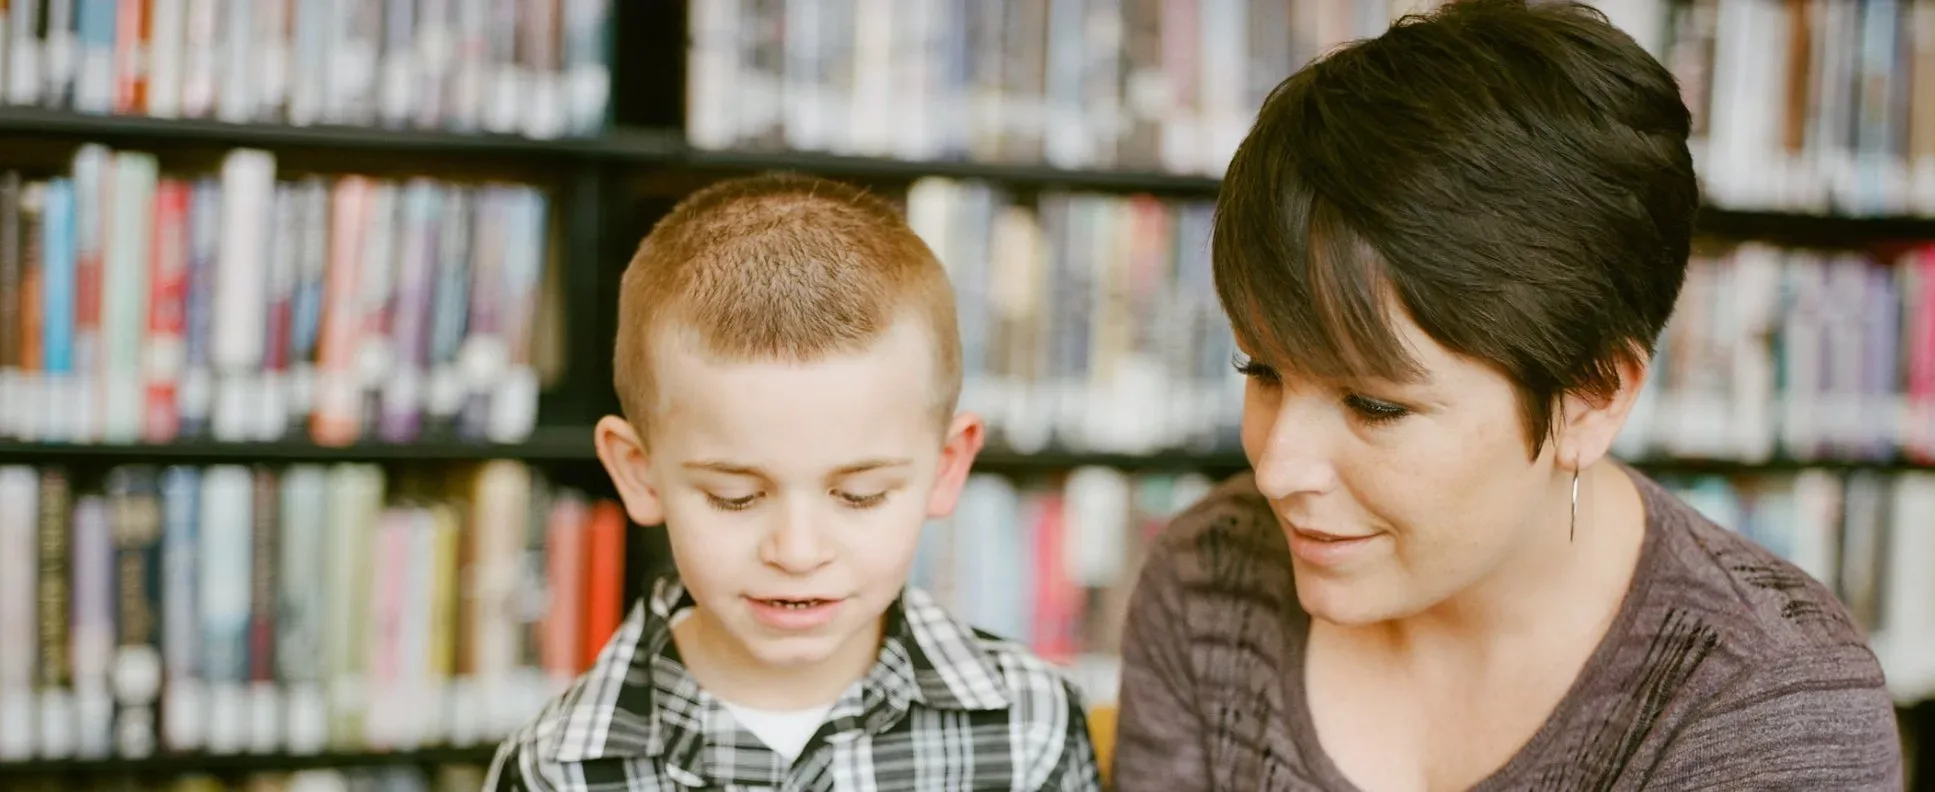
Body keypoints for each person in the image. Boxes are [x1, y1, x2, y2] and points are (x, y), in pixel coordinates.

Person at [1111, 1, 1903, 790]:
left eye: (1374, 406)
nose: (1276, 468)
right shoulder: (1207, 581)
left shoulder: (1768, 698)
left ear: (1589, 398)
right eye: (1260, 371)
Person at [483, 173, 1102, 791]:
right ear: (638, 473)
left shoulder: (1033, 729)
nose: (798, 553)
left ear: (946, 467)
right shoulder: (555, 770)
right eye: (735, 497)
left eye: (860, 495)